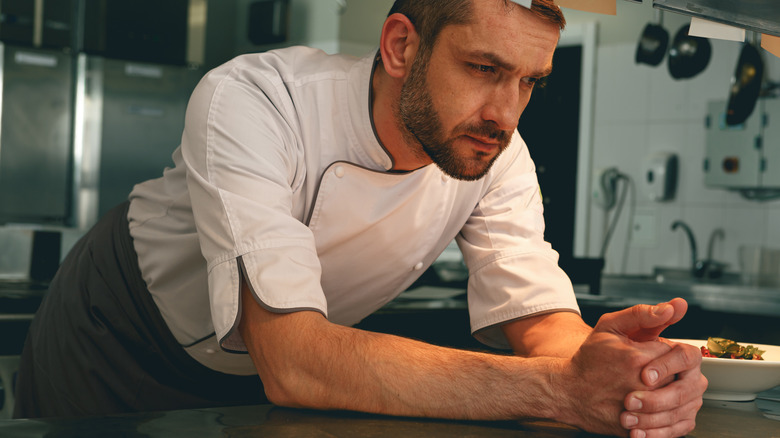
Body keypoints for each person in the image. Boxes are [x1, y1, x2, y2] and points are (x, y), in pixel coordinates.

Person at [14, 0, 707, 436]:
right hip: (114, 333)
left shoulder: (498, 152)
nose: (506, 112)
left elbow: (538, 317)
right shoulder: (258, 101)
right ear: (401, 46)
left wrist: (617, 370)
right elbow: (292, 359)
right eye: (483, 67)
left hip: (254, 376)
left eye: (529, 81)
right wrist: (560, 391)